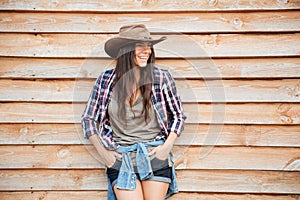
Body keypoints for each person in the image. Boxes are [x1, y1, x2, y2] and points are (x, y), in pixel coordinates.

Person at [81, 24, 186, 200]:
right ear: (125, 50)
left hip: (154, 154)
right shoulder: (106, 80)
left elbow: (178, 116)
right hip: (121, 158)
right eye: (140, 46)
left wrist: (165, 149)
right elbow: (88, 119)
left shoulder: (160, 77)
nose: (147, 51)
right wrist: (105, 155)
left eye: (149, 46)